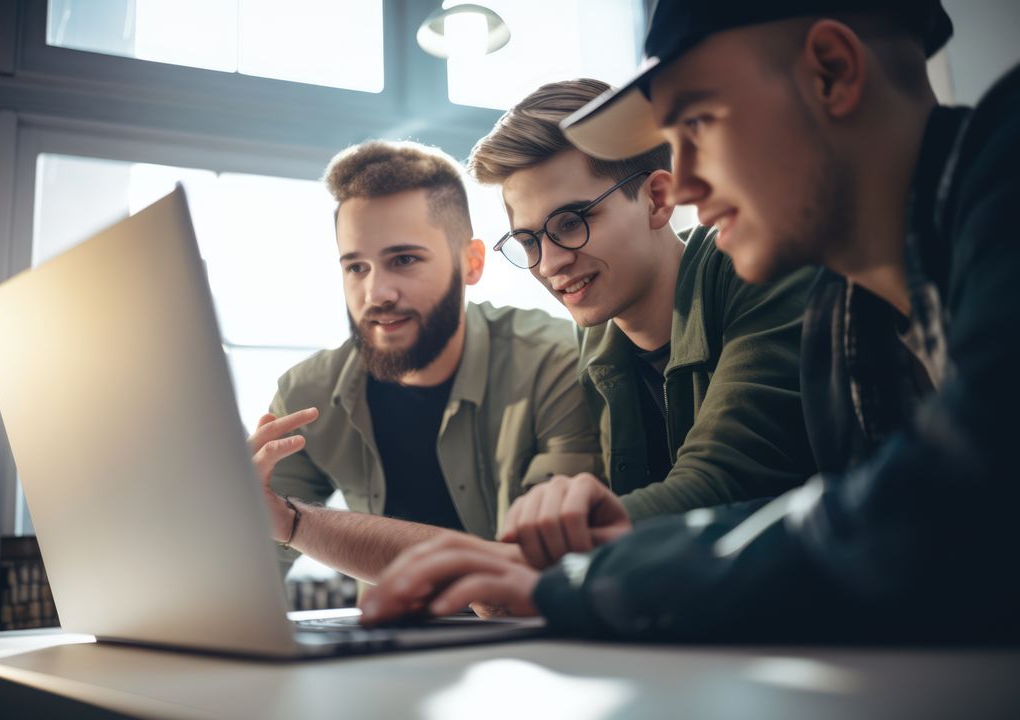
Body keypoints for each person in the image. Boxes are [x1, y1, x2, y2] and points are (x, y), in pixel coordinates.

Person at [361, 0, 1020, 642]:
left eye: (699, 124)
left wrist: (569, 579)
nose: (686, 187)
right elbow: (849, 519)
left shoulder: (1004, 161)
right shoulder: (844, 316)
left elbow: (941, 498)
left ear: (833, 72)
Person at [466, 79, 817, 569]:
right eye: (528, 241)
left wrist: (523, 561)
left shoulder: (751, 269)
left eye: (571, 222)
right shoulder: (594, 338)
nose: (548, 264)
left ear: (657, 199)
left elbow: (722, 484)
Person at [252, 140, 602, 584]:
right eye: (356, 267)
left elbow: (536, 567)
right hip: (382, 643)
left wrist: (295, 524)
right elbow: (244, 577)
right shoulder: (308, 395)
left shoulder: (554, 363)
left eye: (404, 260)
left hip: (528, 644)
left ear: (471, 263)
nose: (377, 293)